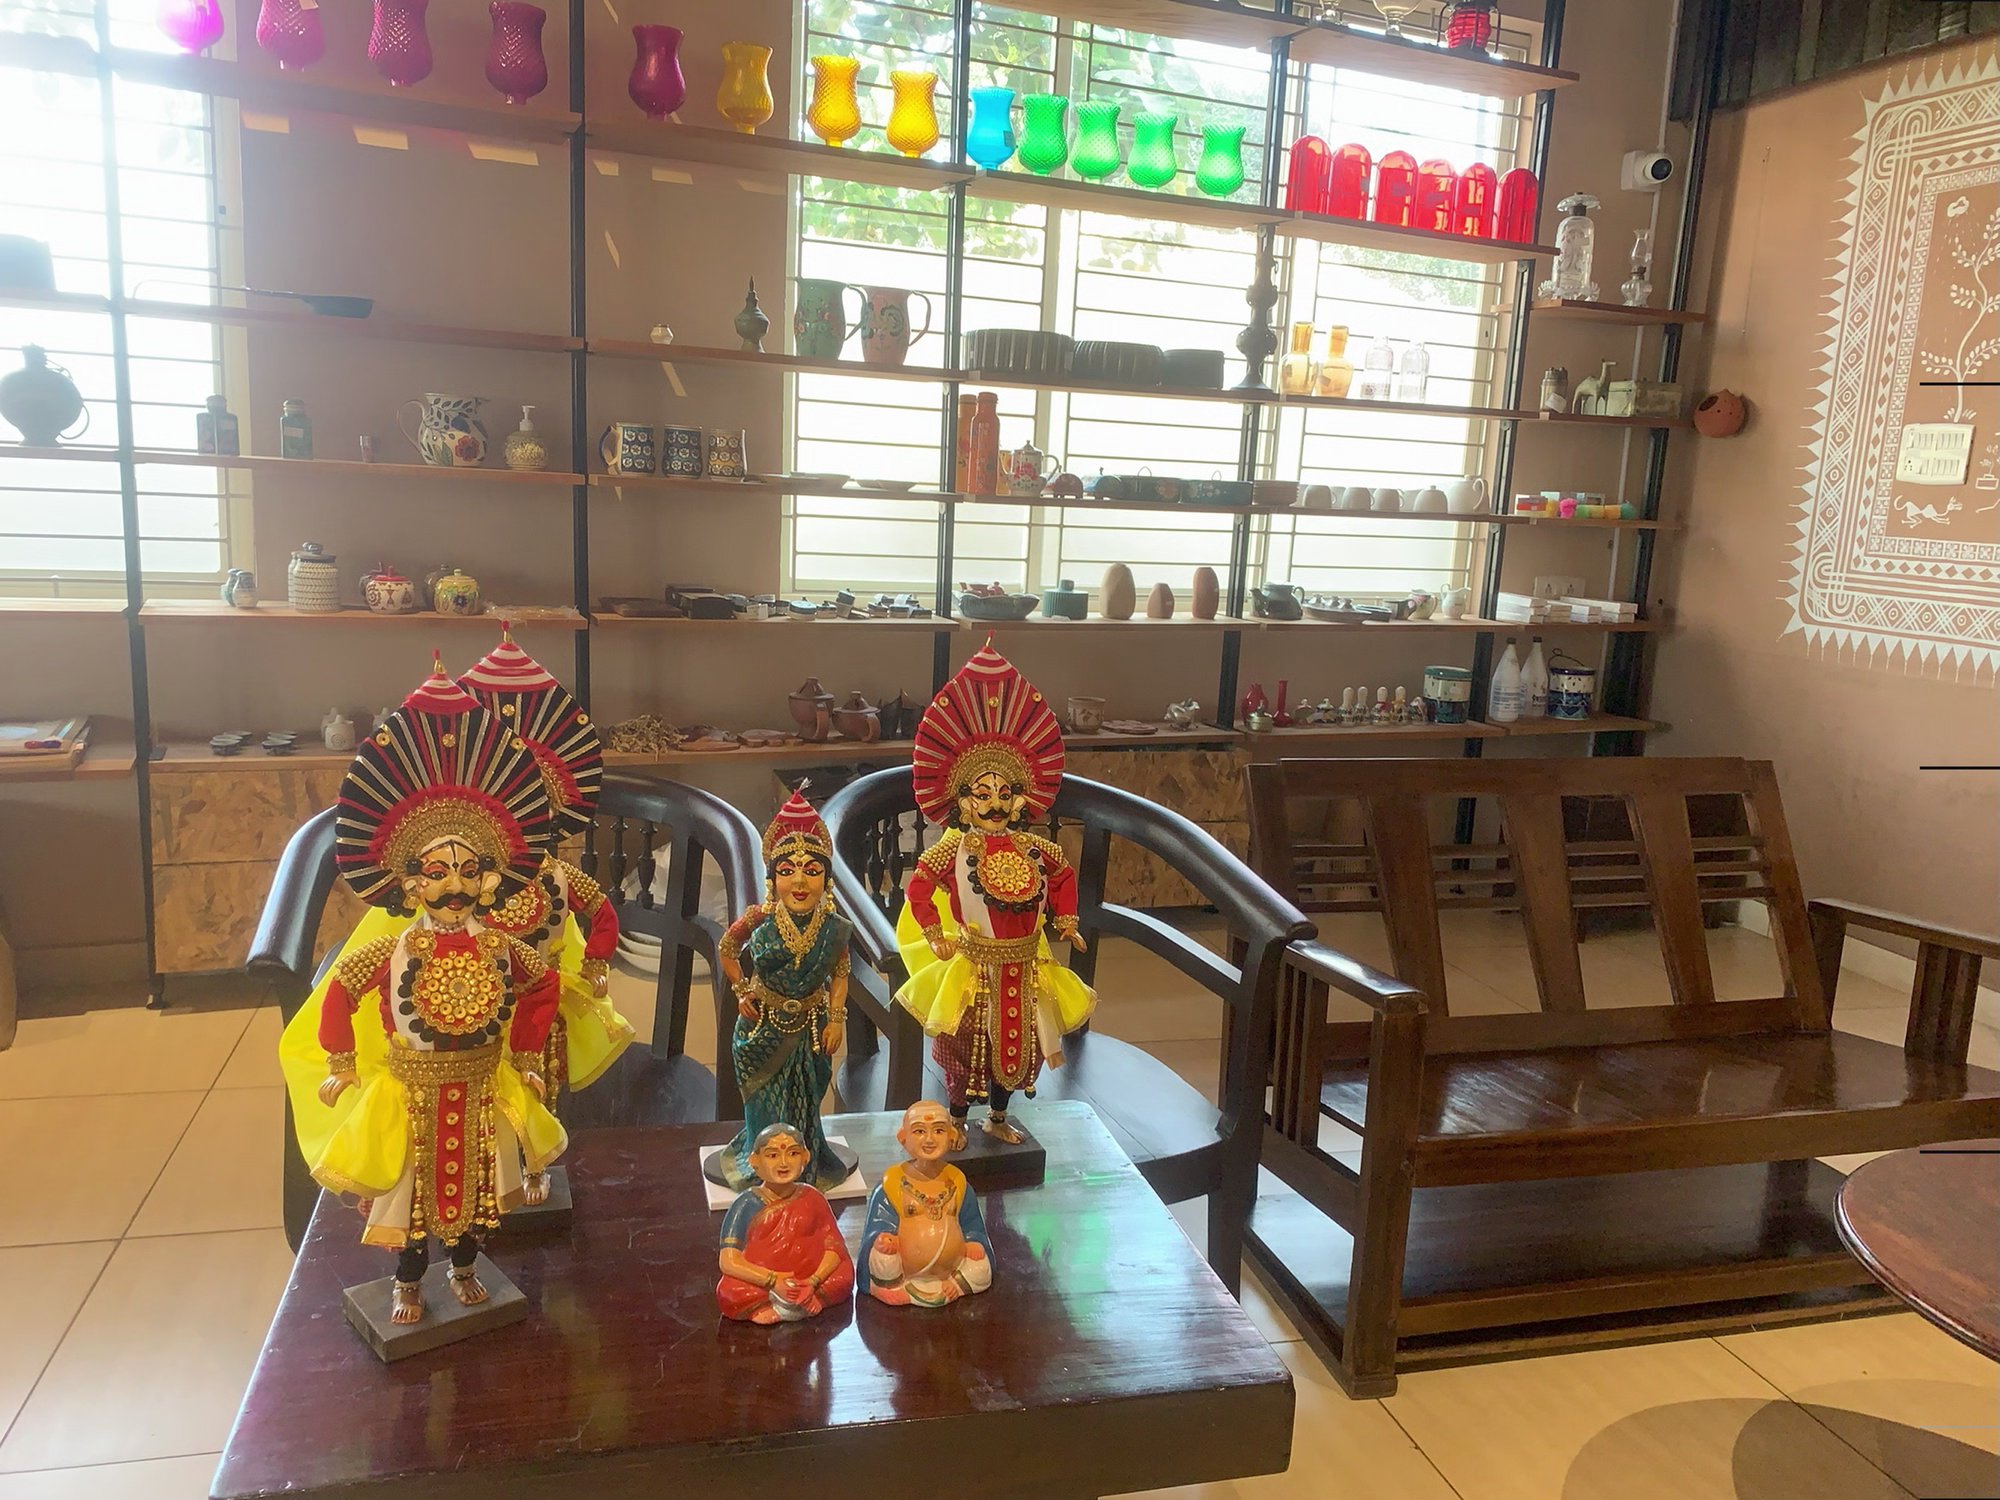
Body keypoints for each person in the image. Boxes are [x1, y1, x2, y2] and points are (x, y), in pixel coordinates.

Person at [289, 656, 568, 1326]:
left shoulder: (500, 946)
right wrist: (340, 1063)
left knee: (477, 1195)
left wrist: (527, 1056)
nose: (454, 886)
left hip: (481, 1089)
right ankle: (408, 1284)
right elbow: (339, 991)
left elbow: (543, 984)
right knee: (410, 1199)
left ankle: (465, 1269)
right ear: (411, 882)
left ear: (488, 880)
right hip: (411, 1096)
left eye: (468, 872)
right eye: (438, 873)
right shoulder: (392, 951)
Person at [894, 642, 1096, 1148]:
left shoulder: (1035, 848)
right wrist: (935, 933)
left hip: (1025, 968)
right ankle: (957, 1118)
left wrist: (1067, 921)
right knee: (965, 1043)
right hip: (973, 967)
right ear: (963, 801)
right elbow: (919, 886)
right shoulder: (954, 850)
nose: (994, 804)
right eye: (983, 795)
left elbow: (1063, 874)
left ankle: (999, 1117)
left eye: (1005, 794)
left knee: (1021, 1044)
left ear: (1021, 799)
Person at [459, 625, 634, 1203]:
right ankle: (487, 1166)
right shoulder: (471, 883)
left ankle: (535, 1168)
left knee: (542, 1085)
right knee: (481, 1090)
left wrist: (599, 962)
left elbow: (602, 912)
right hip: (479, 1004)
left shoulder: (558, 876)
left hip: (545, 1002)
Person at [706, 789, 857, 1191]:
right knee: (762, 1101)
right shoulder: (759, 918)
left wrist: (837, 1020)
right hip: (761, 1026)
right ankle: (762, 1162)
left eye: (813, 870)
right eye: (788, 870)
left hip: (811, 1027)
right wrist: (741, 990)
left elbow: (841, 974)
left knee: (806, 1100)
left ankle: (803, 1160)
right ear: (773, 879)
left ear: (826, 878)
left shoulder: (835, 928)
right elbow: (727, 949)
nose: (800, 881)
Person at [716, 1122, 855, 1323]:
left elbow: (834, 1248)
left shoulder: (813, 1197)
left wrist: (813, 1281)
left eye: (793, 1153)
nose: (783, 1163)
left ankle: (806, 1299)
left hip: (809, 1278)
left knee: (844, 1276)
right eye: (772, 1155)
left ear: (805, 1157)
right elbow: (728, 1261)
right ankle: (781, 1304)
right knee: (729, 1292)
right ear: (755, 1161)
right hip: (764, 1282)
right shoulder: (746, 1204)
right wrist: (773, 1281)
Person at [862, 1100, 994, 1307]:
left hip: (950, 1272)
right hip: (906, 1272)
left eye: (939, 1131)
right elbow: (877, 1228)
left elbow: (973, 1226)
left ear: (952, 1136)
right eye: (919, 1131)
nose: (930, 1139)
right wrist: (883, 1240)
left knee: (981, 1268)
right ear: (903, 1138)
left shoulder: (958, 1183)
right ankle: (890, 1287)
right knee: (882, 1258)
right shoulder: (891, 1184)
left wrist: (974, 1243)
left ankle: (957, 1284)